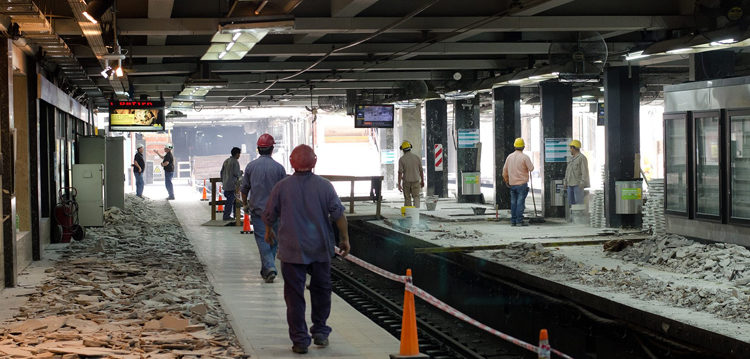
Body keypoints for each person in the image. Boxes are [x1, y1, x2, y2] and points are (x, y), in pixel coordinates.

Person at [263, 144, 351, 355]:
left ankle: (300, 340)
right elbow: (338, 214)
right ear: (315, 161)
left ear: (291, 162)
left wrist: (268, 231)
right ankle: (320, 331)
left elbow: (269, 215)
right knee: (322, 291)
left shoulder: (281, 187)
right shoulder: (325, 186)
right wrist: (345, 239)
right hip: (320, 248)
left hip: (292, 250)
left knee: (294, 296)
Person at [240, 134, 286, 282]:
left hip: (258, 212)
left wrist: (245, 203)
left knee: (262, 239)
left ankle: (270, 267)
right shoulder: (279, 168)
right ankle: (268, 268)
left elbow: (244, 188)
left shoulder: (251, 167)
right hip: (276, 212)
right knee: (274, 239)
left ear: (258, 149)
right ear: (272, 149)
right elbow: (285, 191)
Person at [502, 138, 534, 226]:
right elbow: (531, 168)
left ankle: (513, 221)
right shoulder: (525, 157)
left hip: (512, 184)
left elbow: (504, 171)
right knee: (520, 203)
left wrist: (506, 180)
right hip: (521, 185)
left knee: (513, 203)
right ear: (523, 147)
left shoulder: (509, 157)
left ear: (515, 146)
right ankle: (519, 221)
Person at [397, 140, 424, 208]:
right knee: (416, 197)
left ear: (403, 150)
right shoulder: (417, 158)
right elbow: (421, 170)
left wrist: (399, 184)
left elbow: (400, 172)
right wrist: (422, 181)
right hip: (416, 181)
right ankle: (416, 213)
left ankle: (409, 214)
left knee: (407, 197)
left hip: (406, 182)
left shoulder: (402, 159)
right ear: (410, 148)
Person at [564, 139, 590, 205]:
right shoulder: (571, 159)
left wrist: (582, 183)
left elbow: (585, 172)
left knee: (579, 204)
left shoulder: (582, 158)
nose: (570, 150)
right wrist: (565, 182)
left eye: (570, 148)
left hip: (577, 185)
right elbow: (568, 171)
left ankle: (579, 215)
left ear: (574, 148)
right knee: (571, 204)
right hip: (570, 185)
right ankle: (573, 216)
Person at [220, 147, 242, 221]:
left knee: (233, 200)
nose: (239, 156)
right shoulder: (235, 162)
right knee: (230, 201)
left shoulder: (226, 161)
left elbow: (221, 172)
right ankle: (226, 216)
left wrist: (223, 181)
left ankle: (236, 214)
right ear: (236, 154)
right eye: (239, 154)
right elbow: (236, 173)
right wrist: (241, 172)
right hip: (232, 185)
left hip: (226, 184)